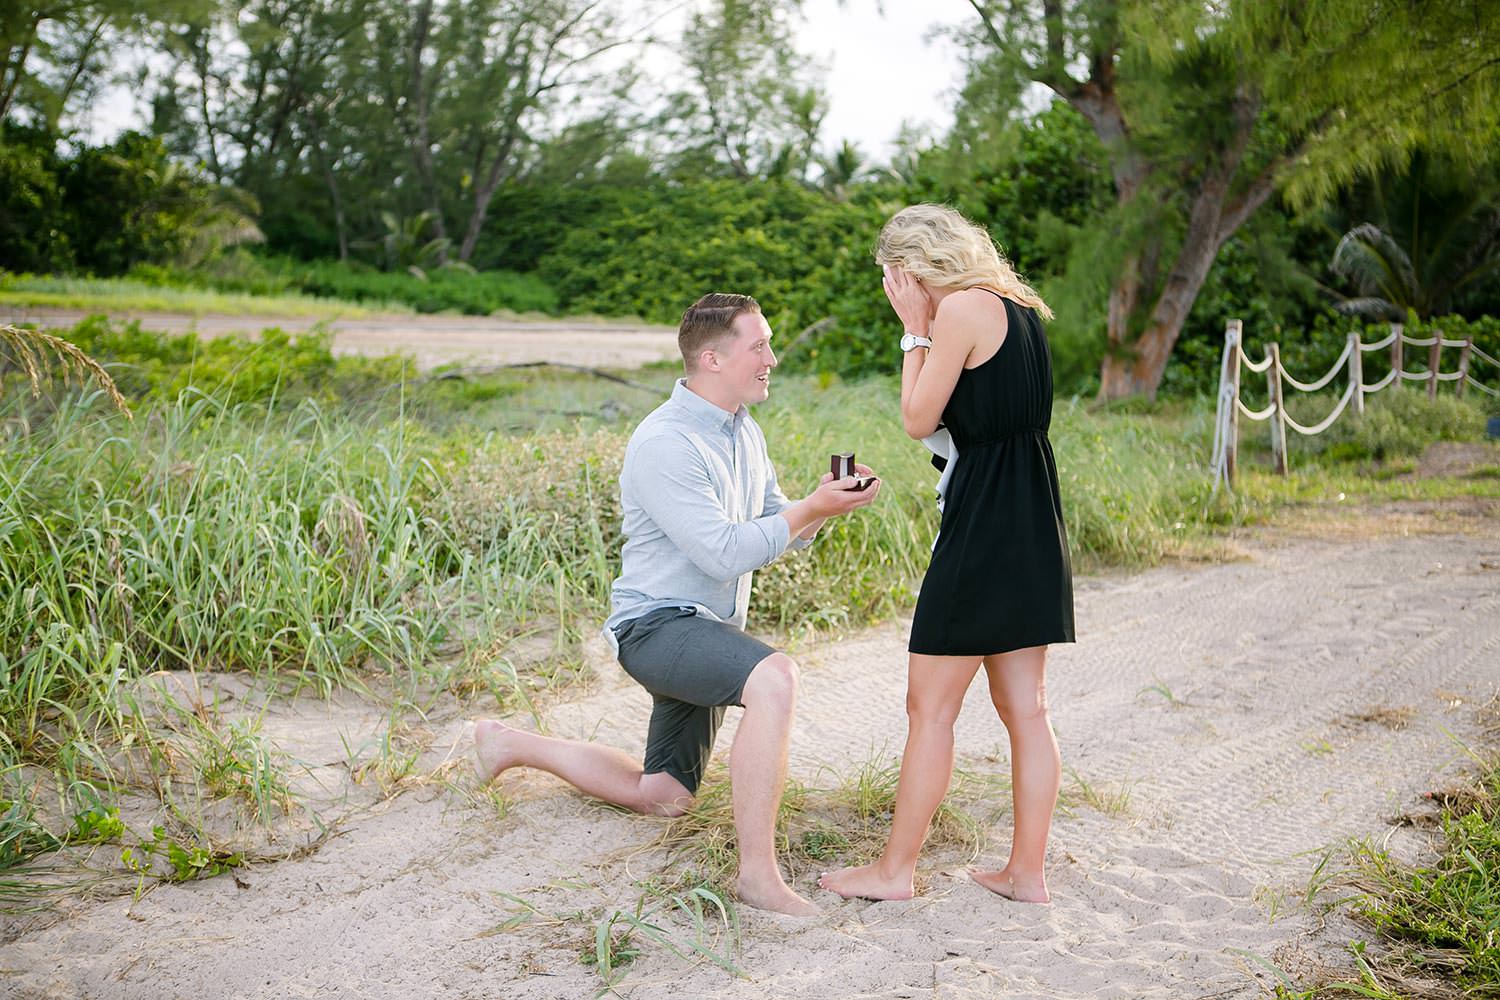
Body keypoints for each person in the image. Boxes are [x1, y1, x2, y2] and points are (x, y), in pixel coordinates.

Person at [474, 292, 881, 917]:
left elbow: (773, 529)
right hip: (655, 628)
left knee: (664, 794)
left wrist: (823, 504)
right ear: (712, 358)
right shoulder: (666, 442)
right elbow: (722, 553)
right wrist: (810, 510)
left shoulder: (745, 430)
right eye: (760, 346)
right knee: (775, 678)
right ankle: (758, 878)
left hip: (705, 629)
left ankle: (508, 745)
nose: (772, 357)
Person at [818, 204, 1075, 904]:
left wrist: (912, 333)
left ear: (913, 271)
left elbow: (915, 420)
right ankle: (1026, 874)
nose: (897, 294)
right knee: (1028, 707)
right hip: (1031, 514)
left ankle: (894, 871)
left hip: (985, 522)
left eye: (894, 282)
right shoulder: (1017, 306)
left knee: (928, 706)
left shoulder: (959, 309)